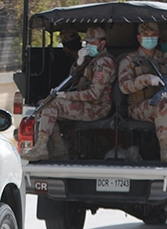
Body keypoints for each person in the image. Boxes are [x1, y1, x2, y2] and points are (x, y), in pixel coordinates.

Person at [21, 27, 116, 162]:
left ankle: (44, 147)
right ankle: (58, 148)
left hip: (98, 108)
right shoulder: (91, 60)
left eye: (93, 43)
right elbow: (72, 78)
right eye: (88, 43)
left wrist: (65, 96)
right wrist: (79, 62)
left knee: (52, 104)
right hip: (87, 104)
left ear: (102, 43)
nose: (90, 46)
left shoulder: (104, 63)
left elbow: (94, 94)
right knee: (45, 102)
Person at [118, 22, 167, 162]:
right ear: (139, 37)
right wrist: (146, 79)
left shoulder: (165, 59)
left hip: (166, 100)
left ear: (158, 36)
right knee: (161, 104)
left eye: (153, 35)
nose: (150, 38)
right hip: (138, 106)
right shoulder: (129, 60)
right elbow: (124, 86)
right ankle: (165, 150)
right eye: (146, 35)